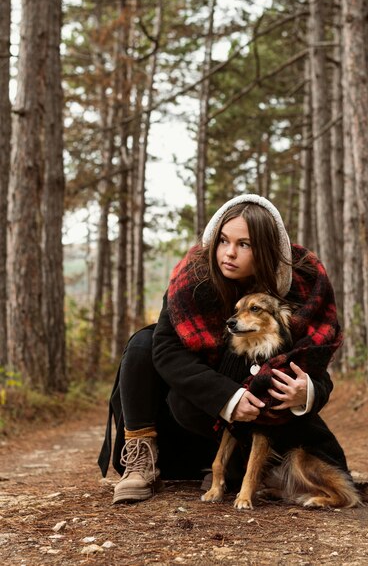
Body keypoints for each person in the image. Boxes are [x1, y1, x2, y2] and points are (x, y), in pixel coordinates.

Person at [98, 194, 345, 504]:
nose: (229, 253)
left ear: (266, 250)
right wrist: (229, 397)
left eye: (245, 244)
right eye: (223, 241)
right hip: (190, 422)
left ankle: (246, 470)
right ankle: (141, 457)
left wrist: (306, 392)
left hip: (259, 428)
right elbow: (165, 351)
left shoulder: (299, 289)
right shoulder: (193, 281)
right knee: (142, 344)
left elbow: (315, 365)